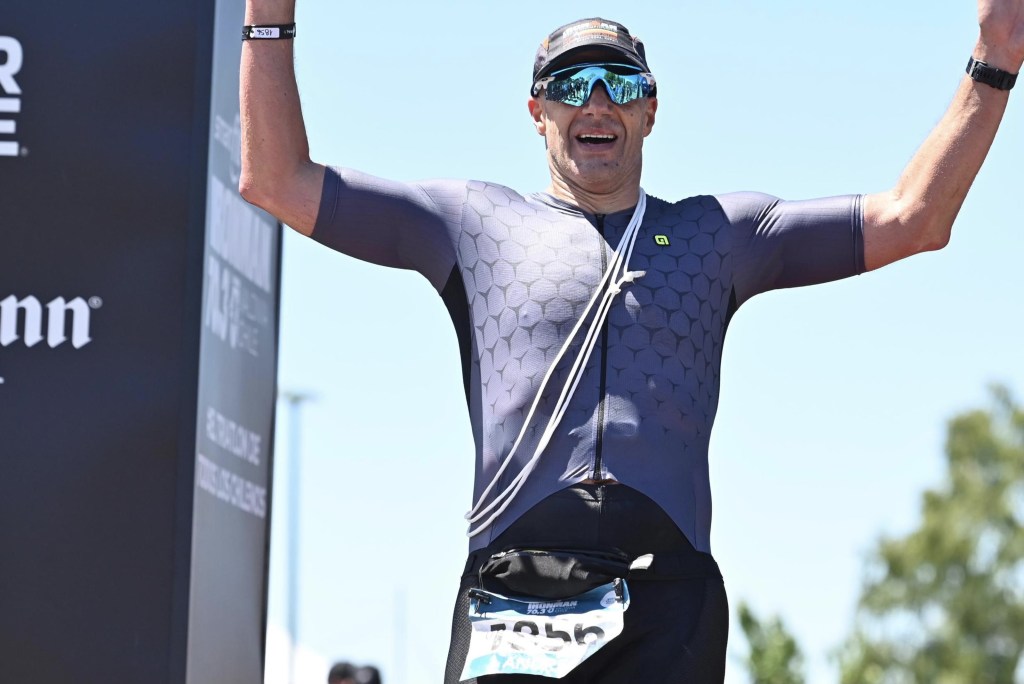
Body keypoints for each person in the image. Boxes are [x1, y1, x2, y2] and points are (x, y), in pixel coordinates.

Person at [240, 3, 1023, 682]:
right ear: (537, 110)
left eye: (620, 83)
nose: (597, 101)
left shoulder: (717, 235)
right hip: (517, 586)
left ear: (651, 110)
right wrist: (269, 15)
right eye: (571, 83)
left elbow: (914, 219)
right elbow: (277, 181)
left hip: (668, 596)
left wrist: (994, 61)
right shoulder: (471, 225)